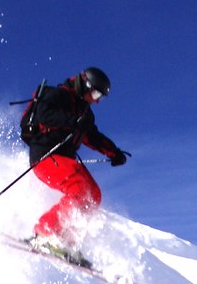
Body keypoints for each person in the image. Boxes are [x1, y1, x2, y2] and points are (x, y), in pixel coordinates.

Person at [21, 67, 128, 265]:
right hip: (45, 155)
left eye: (100, 98)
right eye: (96, 93)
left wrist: (114, 152)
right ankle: (45, 232)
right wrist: (72, 121)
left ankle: (66, 240)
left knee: (93, 195)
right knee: (78, 188)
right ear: (85, 84)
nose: (96, 100)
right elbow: (44, 115)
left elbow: (93, 137)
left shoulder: (86, 114)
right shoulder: (56, 95)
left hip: (65, 159)